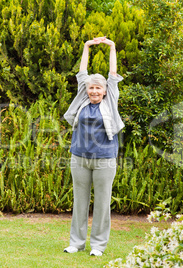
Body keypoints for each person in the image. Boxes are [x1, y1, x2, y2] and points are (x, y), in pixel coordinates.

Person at [63, 37, 124, 256]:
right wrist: (87, 47)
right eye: (91, 88)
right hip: (79, 157)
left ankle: (98, 246)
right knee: (79, 202)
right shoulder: (82, 100)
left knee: (102, 204)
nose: (94, 91)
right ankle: (76, 243)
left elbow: (113, 75)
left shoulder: (110, 99)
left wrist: (112, 48)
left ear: (105, 90)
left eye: (98, 88)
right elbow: (82, 73)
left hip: (105, 159)